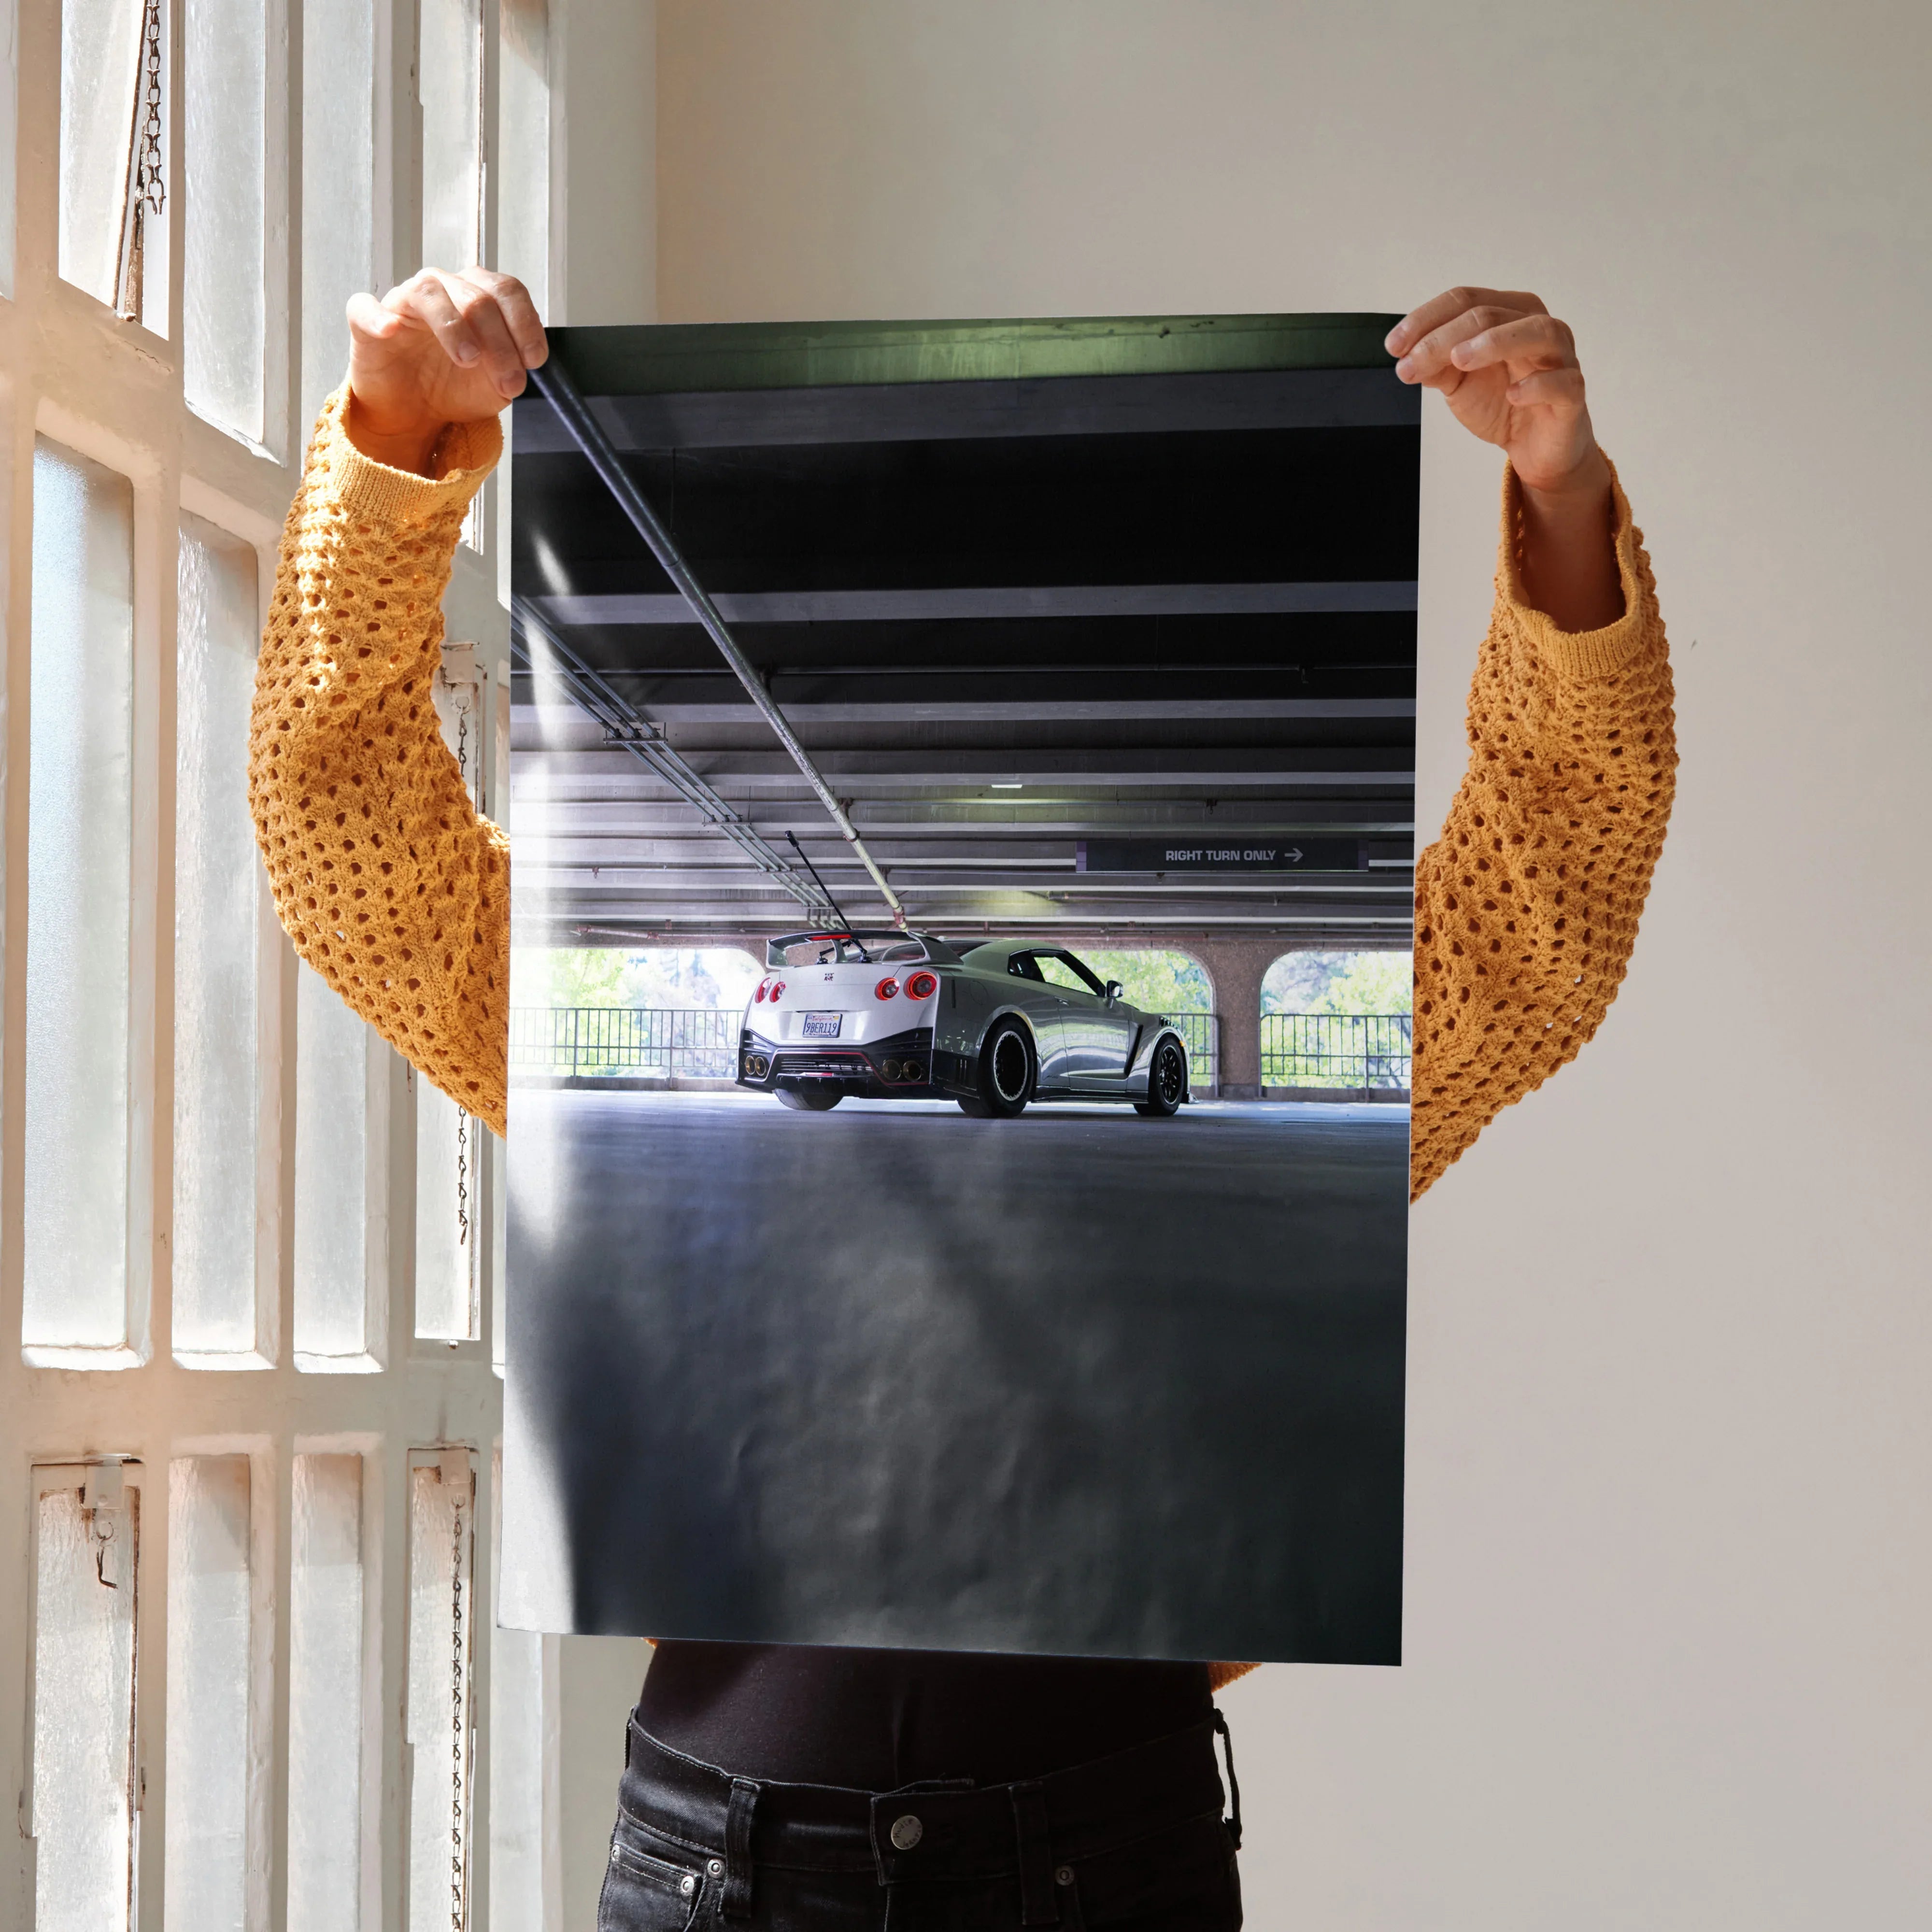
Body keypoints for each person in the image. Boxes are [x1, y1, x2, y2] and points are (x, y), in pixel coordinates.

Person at [250, 270, 1675, 1929]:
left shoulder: (1209, 1106)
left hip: (1090, 1849)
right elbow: (348, 844)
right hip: (736, 1859)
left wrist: (1561, 497)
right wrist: (392, 445)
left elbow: (1544, 907)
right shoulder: (613, 1065)